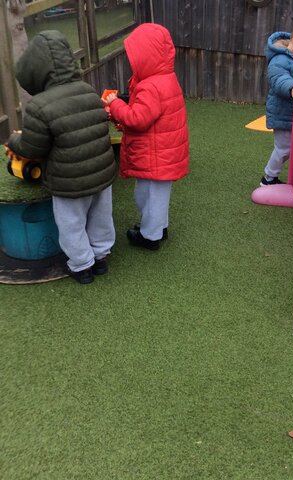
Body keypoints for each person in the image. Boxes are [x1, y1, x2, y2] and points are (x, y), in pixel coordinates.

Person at [7, 30, 117, 285]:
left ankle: (82, 266)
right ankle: (101, 256)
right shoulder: (88, 90)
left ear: (35, 70)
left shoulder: (39, 106)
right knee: (100, 217)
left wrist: (14, 141)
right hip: (102, 173)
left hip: (69, 181)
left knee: (71, 224)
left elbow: (33, 149)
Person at [104, 23, 189, 250]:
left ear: (147, 56)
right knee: (157, 196)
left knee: (147, 196)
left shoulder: (150, 86)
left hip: (155, 155)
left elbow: (137, 119)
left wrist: (115, 105)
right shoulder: (165, 77)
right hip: (163, 152)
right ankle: (159, 228)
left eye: (135, 56)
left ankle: (149, 237)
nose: (131, 61)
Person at [260, 24, 293, 186]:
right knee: (284, 148)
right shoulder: (279, 59)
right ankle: (268, 178)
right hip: (283, 114)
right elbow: (278, 78)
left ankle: (292, 176)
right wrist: (291, 87)